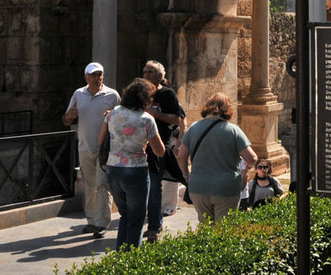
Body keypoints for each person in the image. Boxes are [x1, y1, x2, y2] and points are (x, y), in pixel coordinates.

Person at [98, 78, 164, 250]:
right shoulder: (147, 120)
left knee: (125, 215)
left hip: (113, 169)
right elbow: (160, 151)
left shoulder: (112, 114)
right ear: (144, 99)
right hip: (136, 170)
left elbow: (100, 140)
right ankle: (132, 260)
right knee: (136, 218)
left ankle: (121, 258)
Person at [178, 92, 256, 224]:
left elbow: (181, 155)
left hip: (199, 187)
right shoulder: (233, 130)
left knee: (206, 229)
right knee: (224, 231)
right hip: (226, 188)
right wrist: (246, 169)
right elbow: (252, 158)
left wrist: (186, 175)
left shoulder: (194, 128)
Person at [63, 62, 119, 238]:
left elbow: (121, 118)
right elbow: (66, 120)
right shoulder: (78, 94)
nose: (97, 78)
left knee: (103, 185)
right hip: (85, 147)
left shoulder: (112, 95)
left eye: (100, 74)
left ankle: (102, 223)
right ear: (86, 77)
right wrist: (69, 116)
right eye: (93, 75)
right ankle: (91, 221)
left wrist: (112, 114)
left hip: (105, 149)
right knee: (90, 186)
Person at [141, 60, 184, 242]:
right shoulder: (139, 93)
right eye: (144, 71)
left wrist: (155, 114)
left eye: (150, 72)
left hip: (158, 148)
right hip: (138, 147)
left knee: (154, 187)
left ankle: (154, 227)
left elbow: (177, 119)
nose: (146, 75)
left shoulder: (167, 94)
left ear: (160, 76)